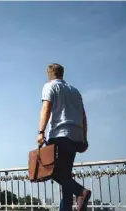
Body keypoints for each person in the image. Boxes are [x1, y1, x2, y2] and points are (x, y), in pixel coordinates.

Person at [36, 63, 91, 211]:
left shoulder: (50, 86)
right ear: (62, 74)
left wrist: (40, 132)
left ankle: (81, 192)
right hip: (74, 137)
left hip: (59, 135)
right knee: (66, 175)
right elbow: (84, 117)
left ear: (49, 74)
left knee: (53, 172)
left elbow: (46, 108)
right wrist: (84, 138)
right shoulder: (75, 91)